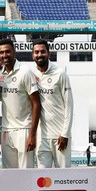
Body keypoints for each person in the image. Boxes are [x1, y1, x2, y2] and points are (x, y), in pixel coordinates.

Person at [0, 38, 41, 169]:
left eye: (7, 52)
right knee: (9, 176)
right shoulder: (0, 75)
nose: (4, 55)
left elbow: (36, 103)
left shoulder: (25, 71)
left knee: (26, 174)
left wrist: (32, 134)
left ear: (14, 52)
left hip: (24, 130)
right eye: (1, 53)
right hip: (6, 131)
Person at [31, 39, 73, 168]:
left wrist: (65, 133)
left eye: (43, 51)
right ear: (32, 55)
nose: (39, 55)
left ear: (49, 54)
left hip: (60, 136)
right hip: (41, 137)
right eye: (36, 52)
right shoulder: (32, 75)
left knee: (64, 177)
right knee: (42, 180)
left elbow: (69, 105)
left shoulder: (60, 74)